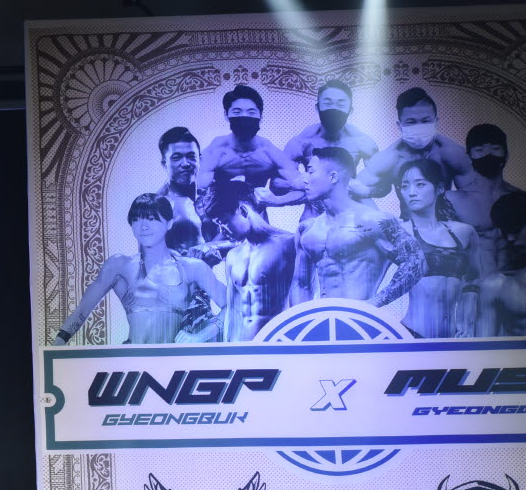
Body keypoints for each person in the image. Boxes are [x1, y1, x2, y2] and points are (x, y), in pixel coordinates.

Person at [53, 194, 225, 344]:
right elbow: (81, 312)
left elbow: (232, 306)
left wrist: (200, 336)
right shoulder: (119, 265)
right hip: (132, 361)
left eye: (151, 218)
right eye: (136, 219)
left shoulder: (192, 268)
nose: (143, 226)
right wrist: (56, 347)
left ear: (169, 223)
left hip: (175, 362)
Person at [292, 147, 425, 308]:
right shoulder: (307, 230)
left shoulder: (373, 221)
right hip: (323, 319)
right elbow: (301, 284)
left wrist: (372, 305)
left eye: (310, 171)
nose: (304, 179)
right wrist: (303, 319)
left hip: (360, 320)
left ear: (333, 177)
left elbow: (416, 262)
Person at [395, 159, 479, 338]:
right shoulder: (400, 233)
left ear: (439, 188)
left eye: (420, 184)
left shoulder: (464, 232)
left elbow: (473, 280)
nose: (411, 192)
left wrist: (468, 320)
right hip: (412, 334)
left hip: (454, 337)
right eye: (405, 186)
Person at [354, 87, 477, 205]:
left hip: (445, 218)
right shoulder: (388, 158)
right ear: (400, 126)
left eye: (425, 121)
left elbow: (476, 195)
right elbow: (352, 191)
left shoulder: (452, 154)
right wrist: (368, 193)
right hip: (407, 219)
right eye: (411, 122)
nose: (419, 127)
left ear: (436, 122)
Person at [446, 124, 526, 277]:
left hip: (518, 285)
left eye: (495, 148)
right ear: (469, 156)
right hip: (473, 286)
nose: (488, 155)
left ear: (506, 155)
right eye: (479, 150)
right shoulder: (452, 200)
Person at [211, 180, 296, 341]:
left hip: (275, 344)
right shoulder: (233, 256)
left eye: (223, 222)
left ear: (243, 211)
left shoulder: (289, 244)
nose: (222, 231)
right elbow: (232, 311)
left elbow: (303, 298)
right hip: (241, 346)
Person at [198, 84, 302, 214]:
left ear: (261, 117)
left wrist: (277, 201)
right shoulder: (215, 152)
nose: (244, 117)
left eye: (251, 112)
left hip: (258, 219)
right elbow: (197, 193)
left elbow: (308, 188)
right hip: (220, 219)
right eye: (237, 112)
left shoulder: (271, 153)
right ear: (226, 115)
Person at [281, 79, 380, 217]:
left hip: (352, 210)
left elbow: (383, 186)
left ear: (350, 110)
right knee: (307, 229)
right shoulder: (300, 143)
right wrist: (299, 183)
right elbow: (277, 184)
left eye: (341, 104)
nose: (334, 109)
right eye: (328, 103)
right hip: (315, 212)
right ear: (317, 108)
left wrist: (364, 190)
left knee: (378, 223)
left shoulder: (363, 143)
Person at [476, 191, 526, 336]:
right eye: (505, 232)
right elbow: (485, 346)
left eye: (516, 230)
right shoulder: (495, 285)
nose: (510, 238)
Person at [154, 126, 203, 243]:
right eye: (176, 158)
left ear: (200, 160)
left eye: (191, 156)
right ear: (164, 164)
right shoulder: (157, 206)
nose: (185, 164)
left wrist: (213, 246)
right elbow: (148, 252)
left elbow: (240, 241)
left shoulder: (210, 196)